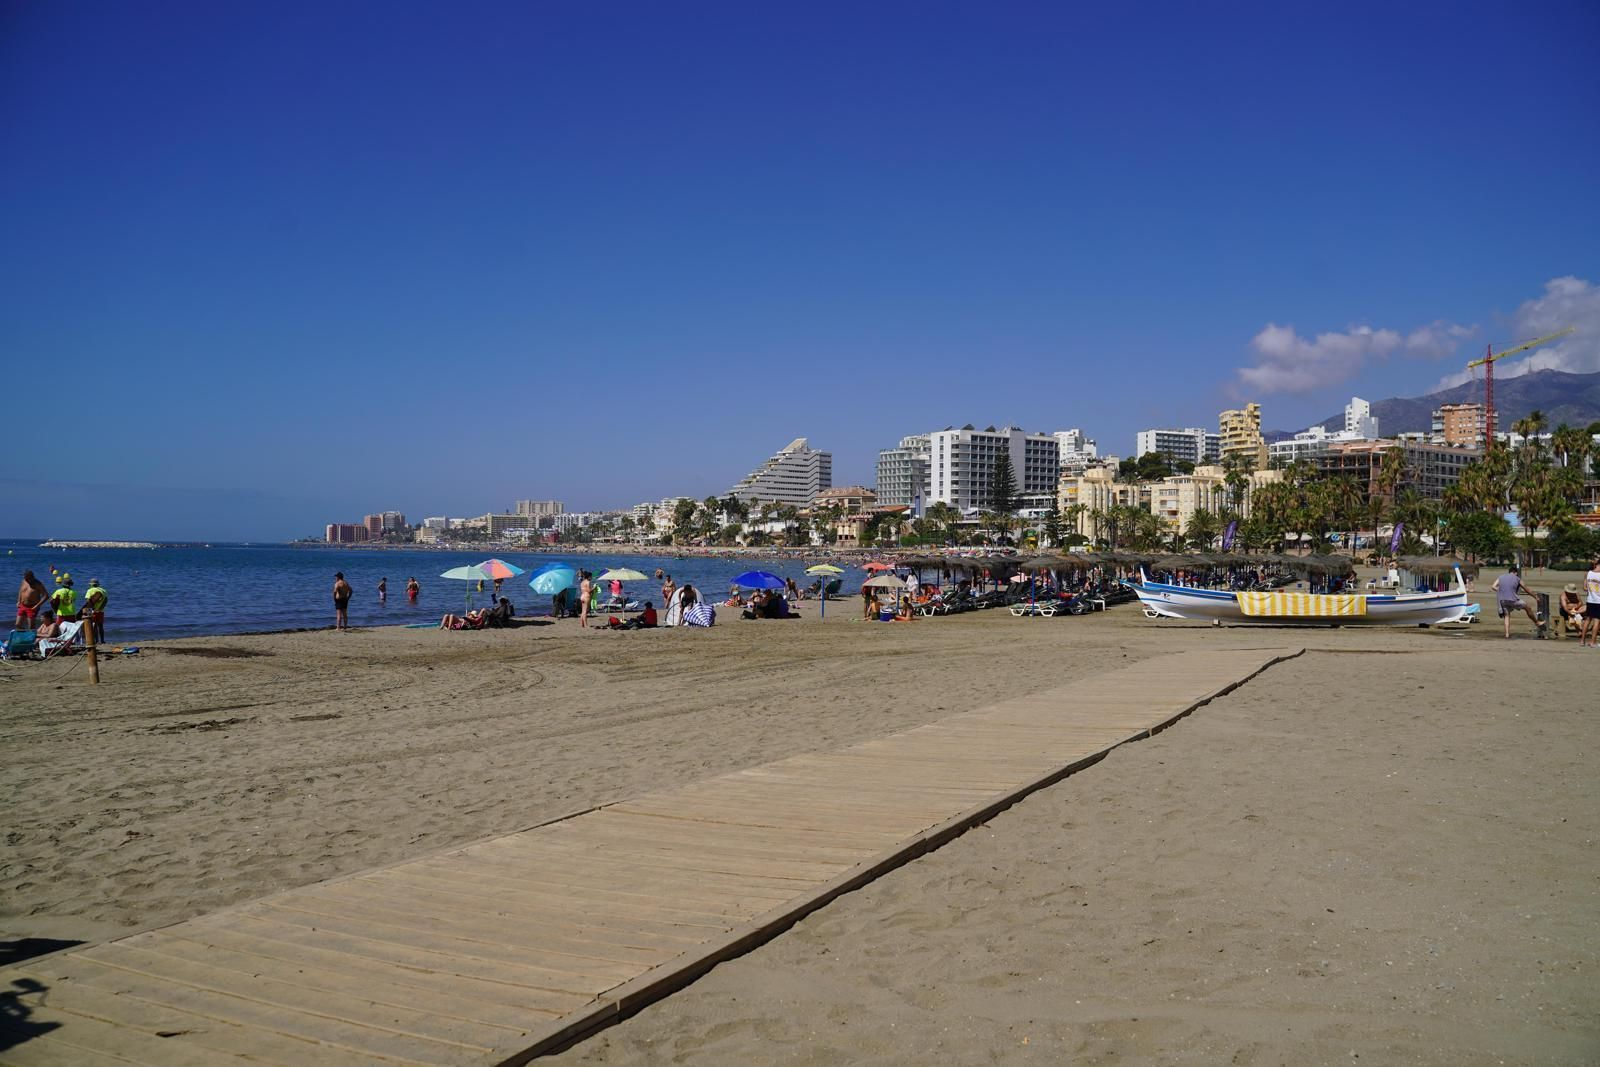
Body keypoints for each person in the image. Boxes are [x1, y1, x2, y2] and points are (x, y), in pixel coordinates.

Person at [1492, 565, 1540, 639]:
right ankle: (1537, 622)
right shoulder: (1517, 578)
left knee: (1507, 616)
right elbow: (1527, 589)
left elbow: (1493, 586)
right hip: (1513, 599)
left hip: (1502, 600)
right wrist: (1535, 597)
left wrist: (1501, 591)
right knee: (1528, 608)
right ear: (1515, 572)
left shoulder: (1501, 577)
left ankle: (1507, 634)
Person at [83, 578, 108, 643]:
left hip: (92, 610)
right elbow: (106, 600)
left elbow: (88, 601)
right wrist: (100, 609)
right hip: (101, 610)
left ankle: (96, 640)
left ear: (91, 585)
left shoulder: (90, 590)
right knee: (100, 626)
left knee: (94, 625)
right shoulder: (103, 590)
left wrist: (90, 610)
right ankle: (102, 640)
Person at [1583, 557, 1600, 648]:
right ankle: (1592, 642)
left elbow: (1584, 588)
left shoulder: (1588, 573)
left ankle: (1582, 641)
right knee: (1597, 621)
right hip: (1598, 601)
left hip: (1590, 600)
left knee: (1587, 620)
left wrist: (1592, 589)